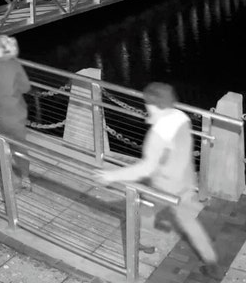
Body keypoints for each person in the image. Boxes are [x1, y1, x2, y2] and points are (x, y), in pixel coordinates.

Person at [93, 82, 221, 279]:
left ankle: (136, 243)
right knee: (188, 222)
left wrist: (112, 175)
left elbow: (146, 167)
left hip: (163, 187)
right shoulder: (181, 118)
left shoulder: (158, 134)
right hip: (185, 182)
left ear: (152, 104)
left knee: (137, 209)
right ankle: (211, 262)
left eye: (147, 103)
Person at [0, 35, 32, 191]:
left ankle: (11, 182)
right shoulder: (15, 64)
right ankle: (26, 178)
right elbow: (26, 87)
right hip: (18, 112)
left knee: (2, 149)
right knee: (20, 147)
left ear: (1, 49)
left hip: (0, 116)